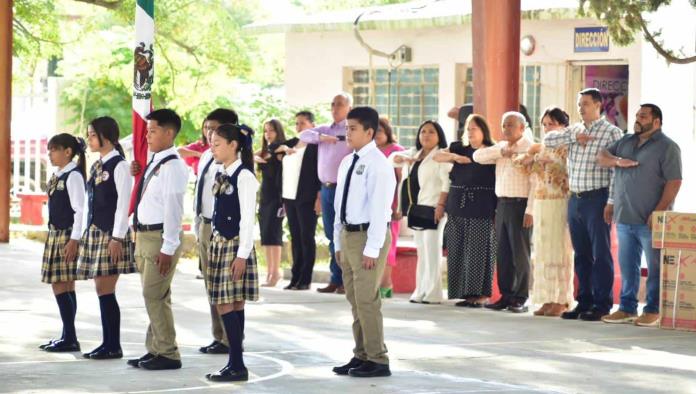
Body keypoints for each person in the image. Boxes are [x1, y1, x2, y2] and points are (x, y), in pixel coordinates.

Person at [598, 103, 682, 327]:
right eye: (637, 115)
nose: (637, 119)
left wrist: (659, 211)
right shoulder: (626, 141)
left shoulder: (668, 147)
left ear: (656, 122)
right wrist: (617, 162)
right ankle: (626, 308)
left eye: (643, 116)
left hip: (651, 220)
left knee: (655, 268)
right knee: (627, 266)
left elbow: (675, 181)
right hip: (625, 217)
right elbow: (602, 156)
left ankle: (653, 309)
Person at [544, 88, 623, 321]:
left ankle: (602, 304)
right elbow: (548, 140)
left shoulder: (612, 132)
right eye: (579, 104)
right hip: (575, 199)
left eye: (586, 104)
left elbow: (616, 173)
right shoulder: (574, 130)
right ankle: (584, 301)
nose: (581, 108)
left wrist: (610, 201)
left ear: (598, 105)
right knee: (581, 254)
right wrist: (573, 137)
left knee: (601, 253)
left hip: (597, 199)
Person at [332, 106, 394, 378]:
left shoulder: (378, 164)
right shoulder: (348, 161)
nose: (348, 132)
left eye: (353, 128)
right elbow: (339, 207)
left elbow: (381, 209)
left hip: (368, 235)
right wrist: (337, 243)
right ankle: (362, 354)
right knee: (355, 299)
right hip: (348, 235)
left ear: (370, 132)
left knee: (367, 300)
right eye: (347, 128)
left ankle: (378, 359)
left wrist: (373, 248)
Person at [126, 109, 188, 370]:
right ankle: (155, 348)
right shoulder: (155, 161)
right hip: (145, 234)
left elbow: (173, 210)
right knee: (156, 295)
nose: (147, 136)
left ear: (169, 133)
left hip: (160, 236)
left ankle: (168, 353)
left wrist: (168, 246)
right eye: (147, 130)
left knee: (153, 293)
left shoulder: (173, 166)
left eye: (152, 131)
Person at [204, 123, 260, 382]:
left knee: (228, 302)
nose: (212, 148)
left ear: (233, 145)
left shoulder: (244, 176)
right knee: (232, 302)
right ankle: (235, 363)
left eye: (217, 144)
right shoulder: (222, 172)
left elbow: (248, 219)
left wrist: (242, 254)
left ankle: (236, 363)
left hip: (235, 244)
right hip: (220, 242)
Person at [76, 117, 135, 359]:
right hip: (96, 231)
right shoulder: (97, 164)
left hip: (112, 234)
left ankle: (113, 345)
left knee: (106, 289)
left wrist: (117, 238)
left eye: (92, 135)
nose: (89, 139)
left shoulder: (119, 166)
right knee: (101, 288)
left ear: (106, 137)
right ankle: (107, 342)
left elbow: (123, 205)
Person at [473, 112, 535, 313]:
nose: (506, 129)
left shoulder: (530, 148)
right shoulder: (501, 147)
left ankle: (521, 296)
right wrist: (502, 153)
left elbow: (535, 181)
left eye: (510, 125)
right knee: (503, 253)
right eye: (504, 125)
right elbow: (477, 156)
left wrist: (530, 210)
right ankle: (506, 295)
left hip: (521, 204)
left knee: (520, 253)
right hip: (502, 204)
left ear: (522, 128)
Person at [515, 107, 574, 317]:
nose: (548, 128)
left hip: (559, 201)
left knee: (559, 251)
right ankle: (547, 298)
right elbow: (520, 165)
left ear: (563, 126)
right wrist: (530, 159)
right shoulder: (540, 148)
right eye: (545, 124)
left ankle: (562, 299)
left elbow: (568, 175)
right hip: (541, 201)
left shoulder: (567, 149)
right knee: (542, 251)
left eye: (552, 124)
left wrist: (552, 164)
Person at [434, 114, 496, 307]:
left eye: (474, 129)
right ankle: (462, 292)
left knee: (477, 250)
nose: (470, 133)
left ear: (483, 131)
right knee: (458, 249)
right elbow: (437, 156)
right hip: (457, 204)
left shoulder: (490, 151)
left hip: (481, 205)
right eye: (468, 129)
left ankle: (478, 294)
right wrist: (454, 157)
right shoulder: (459, 148)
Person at [194, 108, 239, 355]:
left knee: (226, 285)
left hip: (224, 228)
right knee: (211, 282)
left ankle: (231, 337)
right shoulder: (205, 157)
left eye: (214, 129)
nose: (209, 133)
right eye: (207, 127)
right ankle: (218, 335)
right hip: (205, 224)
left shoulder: (234, 161)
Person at [391, 121, 450, 304]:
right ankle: (421, 291)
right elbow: (392, 158)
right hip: (418, 208)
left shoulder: (441, 155)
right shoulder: (414, 154)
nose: (426, 135)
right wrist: (402, 159)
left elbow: (446, 183)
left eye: (431, 132)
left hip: (434, 208)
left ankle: (433, 293)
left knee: (432, 251)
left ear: (439, 136)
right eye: (423, 131)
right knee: (422, 251)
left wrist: (441, 206)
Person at [299, 93, 353, 294]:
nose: (335, 108)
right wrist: (322, 138)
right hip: (326, 188)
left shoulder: (350, 129)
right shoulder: (324, 129)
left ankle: (347, 280)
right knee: (332, 235)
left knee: (345, 234)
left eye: (340, 104)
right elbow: (303, 135)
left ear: (349, 107)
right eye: (333, 104)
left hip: (344, 188)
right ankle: (335, 278)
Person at [40, 133, 86, 353]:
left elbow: (80, 210)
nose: (49, 153)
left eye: (54, 149)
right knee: (65, 284)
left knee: (61, 283)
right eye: (49, 149)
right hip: (56, 233)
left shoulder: (73, 175)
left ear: (68, 151)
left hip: (67, 235)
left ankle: (70, 337)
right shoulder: (59, 174)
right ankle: (68, 334)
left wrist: (74, 239)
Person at [272, 111, 321, 290]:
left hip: (306, 197)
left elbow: (319, 174)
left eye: (302, 123)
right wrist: (284, 149)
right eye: (297, 123)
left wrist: (318, 196)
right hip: (289, 196)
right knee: (295, 237)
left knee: (306, 237)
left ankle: (305, 278)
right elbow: (272, 148)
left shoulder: (316, 146)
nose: (299, 126)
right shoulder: (292, 142)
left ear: (312, 125)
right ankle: (295, 276)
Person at [374, 117, 404, 298]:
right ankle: (377, 282)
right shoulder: (367, 151)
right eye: (374, 131)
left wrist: (399, 206)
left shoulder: (396, 151)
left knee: (388, 245)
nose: (376, 135)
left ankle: (386, 283)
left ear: (387, 132)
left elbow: (401, 180)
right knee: (374, 245)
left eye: (380, 131)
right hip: (371, 206)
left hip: (390, 205)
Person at [255, 119, 286, 287]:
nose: (268, 134)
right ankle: (269, 271)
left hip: (277, 197)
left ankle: (275, 272)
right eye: (266, 131)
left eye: (271, 130)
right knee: (265, 234)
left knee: (274, 234)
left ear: (278, 131)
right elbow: (248, 155)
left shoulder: (281, 150)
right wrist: (257, 158)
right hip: (264, 196)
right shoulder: (264, 151)